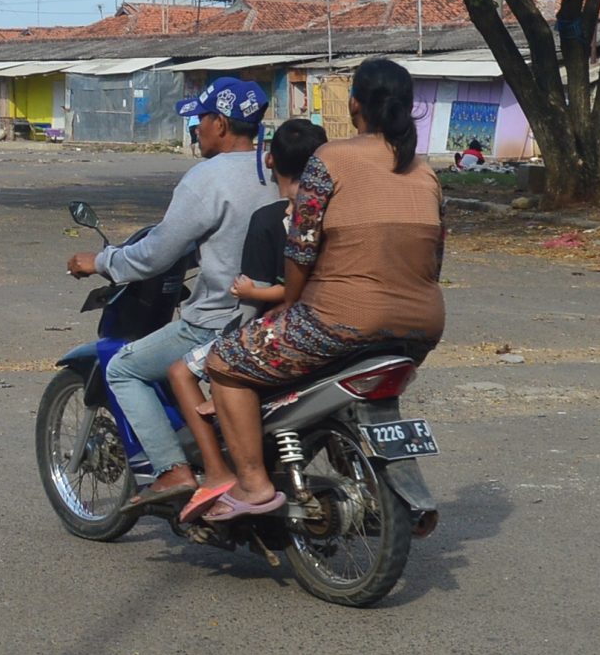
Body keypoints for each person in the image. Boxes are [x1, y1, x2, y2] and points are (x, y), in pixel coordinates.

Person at [192, 58, 447, 521]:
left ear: (354, 105)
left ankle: (251, 485)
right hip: (422, 326)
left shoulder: (330, 160)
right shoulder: (426, 172)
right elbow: (435, 259)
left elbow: (301, 247)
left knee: (223, 361)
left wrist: (290, 303)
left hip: (341, 320)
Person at [63, 77, 280, 517]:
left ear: (220, 123)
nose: (195, 129)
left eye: (200, 120)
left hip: (219, 319)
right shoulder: (276, 169)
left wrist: (102, 261)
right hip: (274, 314)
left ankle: (172, 469)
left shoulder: (207, 178)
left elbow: (158, 251)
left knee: (123, 367)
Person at [164, 117, 326, 497]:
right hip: (334, 322)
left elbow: (284, 294)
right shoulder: (339, 209)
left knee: (186, 370)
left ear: (270, 160)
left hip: (285, 327)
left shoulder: (277, 218)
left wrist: (249, 290)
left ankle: (223, 472)